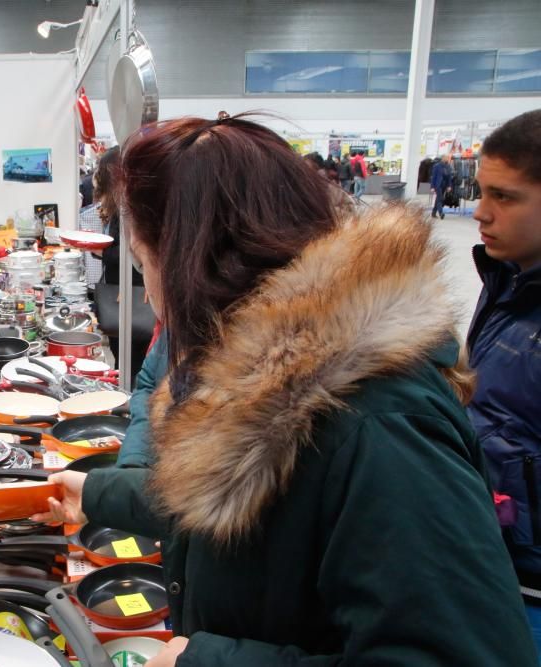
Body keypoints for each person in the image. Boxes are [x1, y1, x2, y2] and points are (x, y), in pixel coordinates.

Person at [33, 115, 537, 665]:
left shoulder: (378, 425)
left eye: (143, 261)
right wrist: (95, 495)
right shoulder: (264, 387)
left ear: (186, 261)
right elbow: (230, 502)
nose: (150, 294)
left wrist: (205, 662)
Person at [465, 109, 541, 650]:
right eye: (480, 192)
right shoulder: (508, 286)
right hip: (499, 559)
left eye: (505, 197)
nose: (479, 212)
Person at [90, 146, 154, 380]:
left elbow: (134, 252)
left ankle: (127, 400)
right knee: (124, 356)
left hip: (133, 295)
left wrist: (101, 250)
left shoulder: (130, 208)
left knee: (133, 360)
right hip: (122, 293)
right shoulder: (121, 205)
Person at [431, 153, 455, 219]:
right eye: (446, 157)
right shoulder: (437, 166)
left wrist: (449, 186)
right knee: (440, 198)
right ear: (443, 158)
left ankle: (433, 213)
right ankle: (441, 213)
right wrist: (432, 187)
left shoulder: (448, 166)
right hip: (438, 185)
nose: (447, 159)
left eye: (447, 157)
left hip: (444, 185)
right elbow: (433, 177)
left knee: (438, 199)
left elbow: (449, 177)